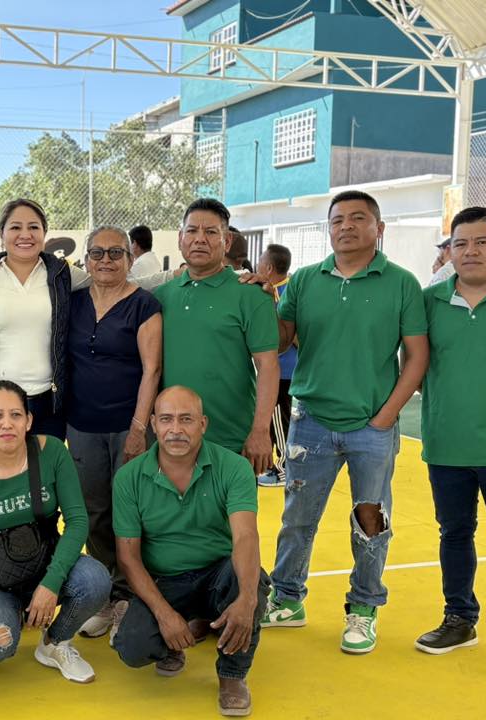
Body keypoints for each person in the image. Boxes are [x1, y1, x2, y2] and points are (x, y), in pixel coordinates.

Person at [262, 190, 429, 654]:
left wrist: (386, 416)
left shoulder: (402, 283)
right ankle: (287, 598)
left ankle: (364, 608)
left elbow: (417, 357)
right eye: (337, 220)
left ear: (379, 228)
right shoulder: (304, 280)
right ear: (329, 229)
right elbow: (279, 341)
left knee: (370, 520)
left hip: (371, 427)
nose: (346, 226)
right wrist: (263, 302)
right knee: (297, 518)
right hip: (310, 421)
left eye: (358, 218)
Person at [0, 199, 175, 448]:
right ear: (1, 233)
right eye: (15, 227)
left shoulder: (60, 272)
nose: (25, 235)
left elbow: (112, 282)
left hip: (48, 404)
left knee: (45, 473)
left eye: (33, 227)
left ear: (44, 233)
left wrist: (172, 275)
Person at [0, 380, 110, 689]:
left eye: (16, 415)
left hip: (42, 561)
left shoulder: (53, 452)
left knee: (96, 580)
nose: (7, 424)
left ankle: (54, 643)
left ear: (29, 420)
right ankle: (2, 614)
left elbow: (77, 522)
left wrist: (51, 582)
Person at [415, 207, 486, 672]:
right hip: (447, 446)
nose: (471, 251)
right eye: (460, 243)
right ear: (449, 253)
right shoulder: (427, 302)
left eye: (482, 242)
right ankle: (460, 618)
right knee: (455, 534)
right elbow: (411, 364)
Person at [112, 386, 267, 716]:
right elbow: (128, 557)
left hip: (217, 573)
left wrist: (247, 599)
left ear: (203, 424)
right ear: (153, 424)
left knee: (250, 585)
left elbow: (246, 538)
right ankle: (180, 634)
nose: (176, 429)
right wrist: (165, 615)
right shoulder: (128, 478)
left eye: (186, 419)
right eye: (166, 419)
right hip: (165, 581)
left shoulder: (234, 467)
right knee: (132, 648)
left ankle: (233, 675)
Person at [65, 225, 162, 639]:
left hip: (128, 426)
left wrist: (139, 429)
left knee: (131, 512)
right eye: (98, 253)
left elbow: (152, 370)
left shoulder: (144, 305)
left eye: (115, 253)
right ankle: (105, 596)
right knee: (94, 513)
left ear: (130, 258)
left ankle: (131, 598)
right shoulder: (72, 302)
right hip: (81, 426)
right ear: (86, 259)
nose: (106, 260)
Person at [154, 198, 280, 475]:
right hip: (171, 440)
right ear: (180, 238)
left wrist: (260, 430)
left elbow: (268, 365)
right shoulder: (160, 297)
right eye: (192, 231)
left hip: (232, 441)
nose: (200, 239)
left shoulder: (252, 294)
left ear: (227, 241)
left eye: (211, 232)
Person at [255, 243, 296, 488]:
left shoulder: (281, 293)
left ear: (269, 268)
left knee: (279, 420)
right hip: (280, 369)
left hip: (282, 370)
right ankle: (274, 466)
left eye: (260, 261)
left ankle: (282, 469)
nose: (257, 264)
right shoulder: (283, 289)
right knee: (276, 418)